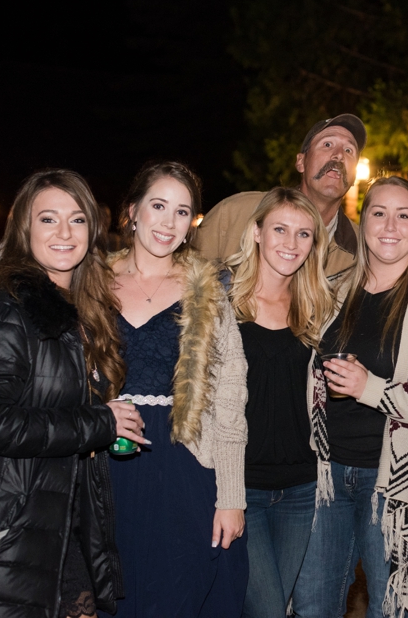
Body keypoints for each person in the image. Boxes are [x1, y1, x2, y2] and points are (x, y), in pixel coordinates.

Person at [0, 169, 143, 618]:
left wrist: (105, 426)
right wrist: (100, 422)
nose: (64, 233)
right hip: (3, 526)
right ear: (24, 230)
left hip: (59, 519)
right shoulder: (7, 309)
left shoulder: (84, 312)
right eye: (48, 219)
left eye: (77, 219)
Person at [292, 177, 408, 618]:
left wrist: (368, 387)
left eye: (403, 215)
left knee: (393, 609)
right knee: (311, 606)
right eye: (379, 213)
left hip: (399, 483)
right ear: (363, 222)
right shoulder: (330, 291)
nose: (390, 226)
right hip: (325, 477)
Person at [99, 161, 249, 617]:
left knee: (181, 591)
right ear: (132, 211)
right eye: (158, 206)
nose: (168, 222)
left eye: (182, 212)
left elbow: (229, 397)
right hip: (107, 462)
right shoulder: (91, 284)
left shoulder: (208, 289)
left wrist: (231, 497)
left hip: (186, 464)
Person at [225, 187, 335, 617]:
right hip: (240, 487)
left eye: (304, 234)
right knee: (267, 609)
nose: (291, 243)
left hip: (300, 487)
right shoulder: (221, 302)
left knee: (276, 607)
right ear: (256, 232)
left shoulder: (319, 307)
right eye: (280, 230)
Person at [196, 114, 366, 275]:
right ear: (301, 162)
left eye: (349, 150)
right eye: (327, 144)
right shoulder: (235, 214)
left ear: (354, 175)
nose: (339, 155)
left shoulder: (363, 252)